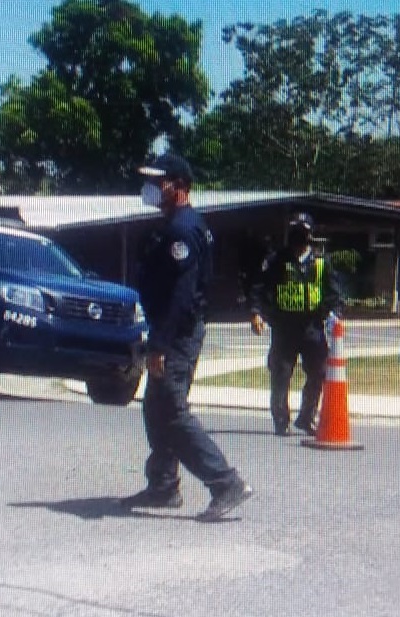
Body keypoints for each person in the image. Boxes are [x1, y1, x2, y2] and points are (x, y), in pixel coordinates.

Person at [120, 152, 253, 521]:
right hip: (173, 330)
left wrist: (160, 344)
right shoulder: (183, 224)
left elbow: (182, 293)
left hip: (176, 334)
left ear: (178, 186)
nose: (150, 188)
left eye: (157, 181)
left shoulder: (182, 229)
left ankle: (226, 483)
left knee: (171, 412)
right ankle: (163, 485)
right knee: (156, 407)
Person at [249, 212, 343, 436]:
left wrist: (334, 314)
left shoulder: (321, 262)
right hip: (284, 326)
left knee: (319, 372)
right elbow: (259, 288)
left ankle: (306, 417)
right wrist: (256, 313)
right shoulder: (276, 260)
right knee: (280, 373)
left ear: (311, 235)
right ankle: (281, 420)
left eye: (303, 233)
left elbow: (335, 293)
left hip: (312, 326)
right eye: (295, 232)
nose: (298, 238)